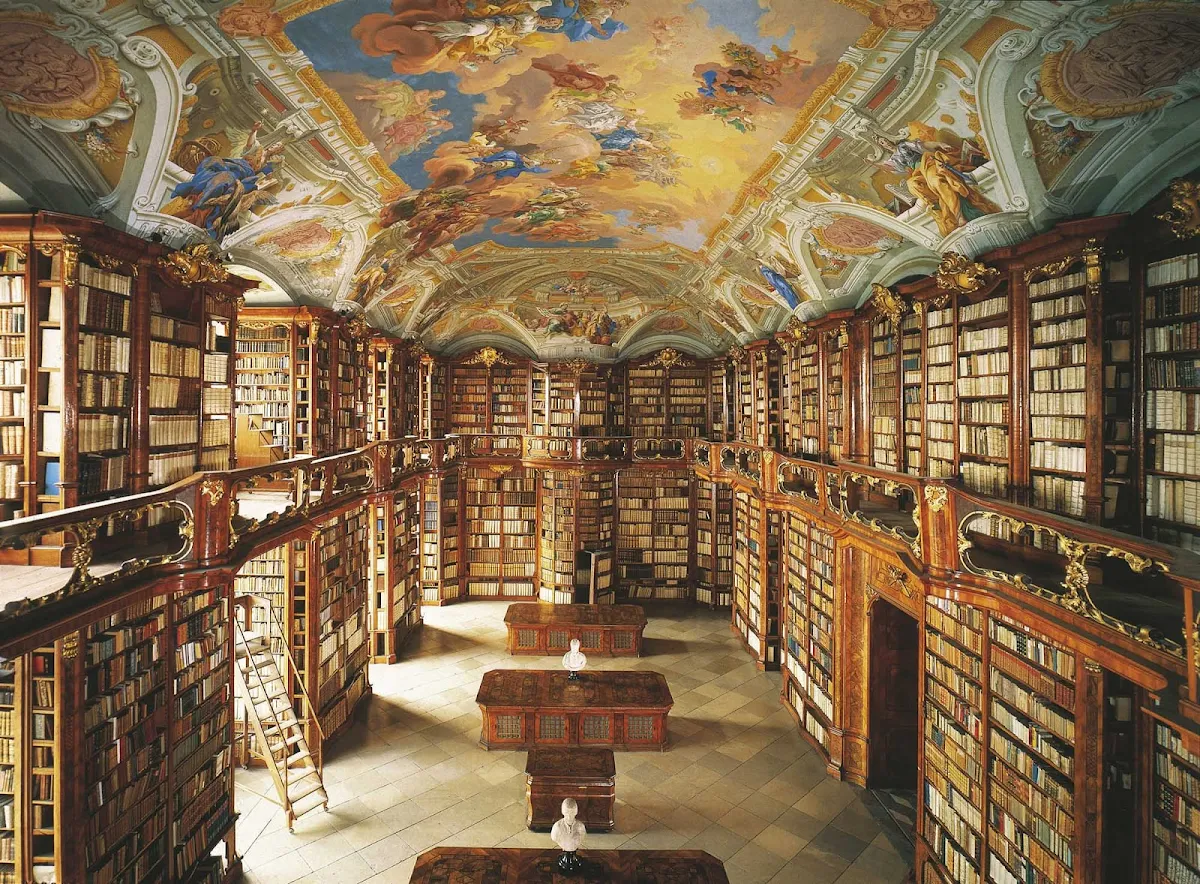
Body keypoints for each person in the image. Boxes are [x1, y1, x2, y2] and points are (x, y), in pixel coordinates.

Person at [551, 797, 586, 873]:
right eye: (567, 813)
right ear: (562, 812)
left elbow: (582, 835)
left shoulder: (581, 827)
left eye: (572, 813)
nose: (569, 817)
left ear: (576, 812)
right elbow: (554, 837)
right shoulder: (557, 827)